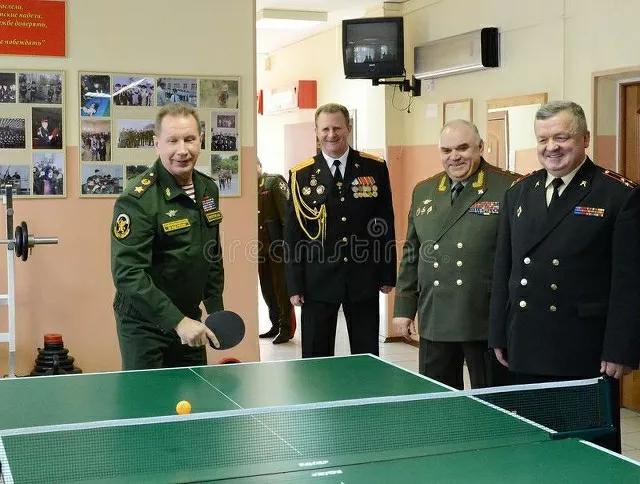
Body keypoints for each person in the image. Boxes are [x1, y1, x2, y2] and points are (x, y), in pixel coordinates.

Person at [488, 100, 640, 451]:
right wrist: (498, 333)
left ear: (585, 138)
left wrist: (621, 348)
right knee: (534, 446)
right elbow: (504, 269)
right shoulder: (519, 192)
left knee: (590, 450)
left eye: (561, 137)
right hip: (525, 344)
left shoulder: (618, 195)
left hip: (584, 350)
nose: (551, 147)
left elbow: (629, 282)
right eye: (543, 139)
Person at [393, 120, 518, 389]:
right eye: (446, 150)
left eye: (462, 148)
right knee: (439, 399)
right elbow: (412, 253)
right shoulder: (424, 190)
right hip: (436, 315)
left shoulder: (509, 187)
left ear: (480, 147)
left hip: (484, 317)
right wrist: (404, 307)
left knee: (492, 399)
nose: (454, 157)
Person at [111, 103, 225, 370]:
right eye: (172, 141)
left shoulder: (208, 188)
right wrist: (177, 321)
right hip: (143, 324)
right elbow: (127, 273)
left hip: (189, 317)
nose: (182, 150)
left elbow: (211, 253)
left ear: (201, 140)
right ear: (157, 144)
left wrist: (216, 310)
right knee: (149, 395)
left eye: (190, 139)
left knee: (194, 391)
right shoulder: (137, 199)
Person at [284, 103, 396, 357]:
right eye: (325, 129)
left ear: (348, 128)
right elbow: (292, 235)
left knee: (366, 354)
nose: (331, 134)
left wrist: (387, 273)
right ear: (316, 131)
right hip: (317, 281)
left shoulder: (374, 168)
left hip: (363, 276)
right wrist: (294, 284)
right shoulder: (301, 175)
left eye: (337, 128)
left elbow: (384, 223)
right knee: (316, 357)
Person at [257, 159, 296, 344]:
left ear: (259, 166)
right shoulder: (250, 188)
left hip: (278, 248)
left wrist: (289, 246)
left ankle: (286, 329)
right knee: (267, 290)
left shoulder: (273, 182)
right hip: (260, 248)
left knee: (282, 289)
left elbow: (287, 216)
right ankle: (275, 325)